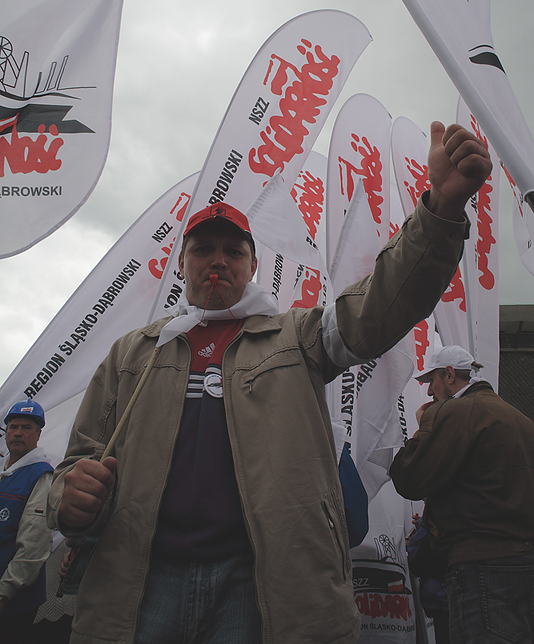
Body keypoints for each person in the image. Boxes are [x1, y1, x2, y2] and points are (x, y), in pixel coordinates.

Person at [47, 122, 492, 644]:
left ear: (253, 265)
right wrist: (69, 498)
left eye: (233, 251)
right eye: (203, 249)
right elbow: (78, 462)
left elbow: (381, 304)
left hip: (259, 587)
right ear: (182, 265)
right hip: (143, 586)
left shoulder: (299, 338)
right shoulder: (134, 355)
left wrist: (440, 211)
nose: (218, 260)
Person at [390, 344, 534, 644]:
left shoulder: (454, 412)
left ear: (449, 375)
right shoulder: (521, 420)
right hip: (523, 562)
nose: (429, 391)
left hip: (480, 566)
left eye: (431, 381)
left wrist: (423, 428)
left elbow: (408, 478)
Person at [0, 400, 53, 638]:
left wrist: (4, 593)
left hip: (13, 601)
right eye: (13, 427)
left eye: (26, 427)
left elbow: (33, 546)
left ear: (38, 434)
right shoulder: (4, 470)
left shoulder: (41, 476)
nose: (18, 433)